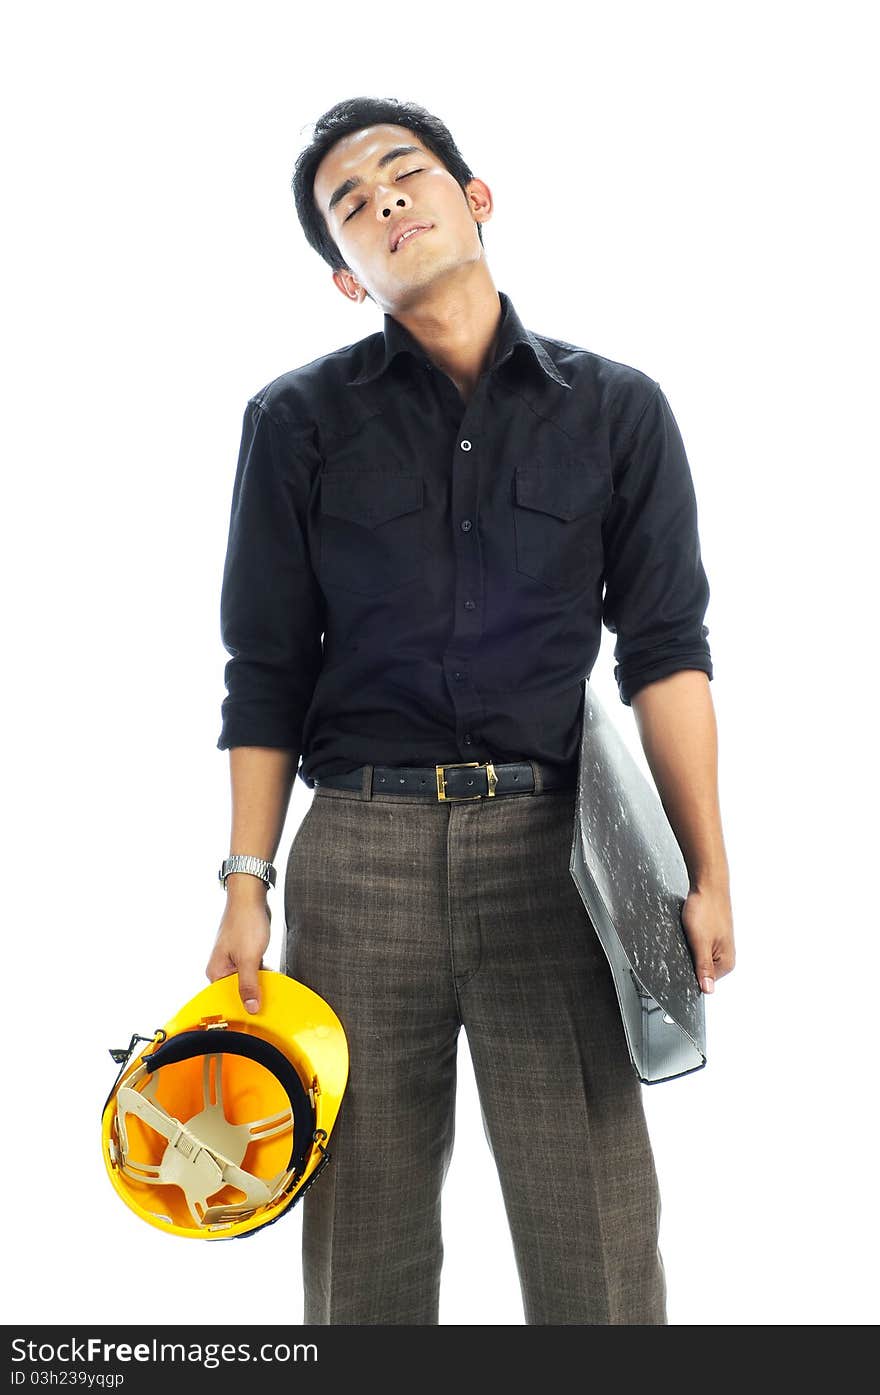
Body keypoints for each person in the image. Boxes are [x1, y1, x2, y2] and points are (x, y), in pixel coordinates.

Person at [207, 95, 735, 1326]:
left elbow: (666, 652)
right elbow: (263, 667)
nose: (383, 201)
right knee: (363, 1251)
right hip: (357, 854)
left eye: (403, 175)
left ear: (473, 198)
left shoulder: (617, 411)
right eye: (350, 204)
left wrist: (704, 868)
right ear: (347, 277)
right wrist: (246, 880)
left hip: (552, 858)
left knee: (593, 1237)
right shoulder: (295, 424)